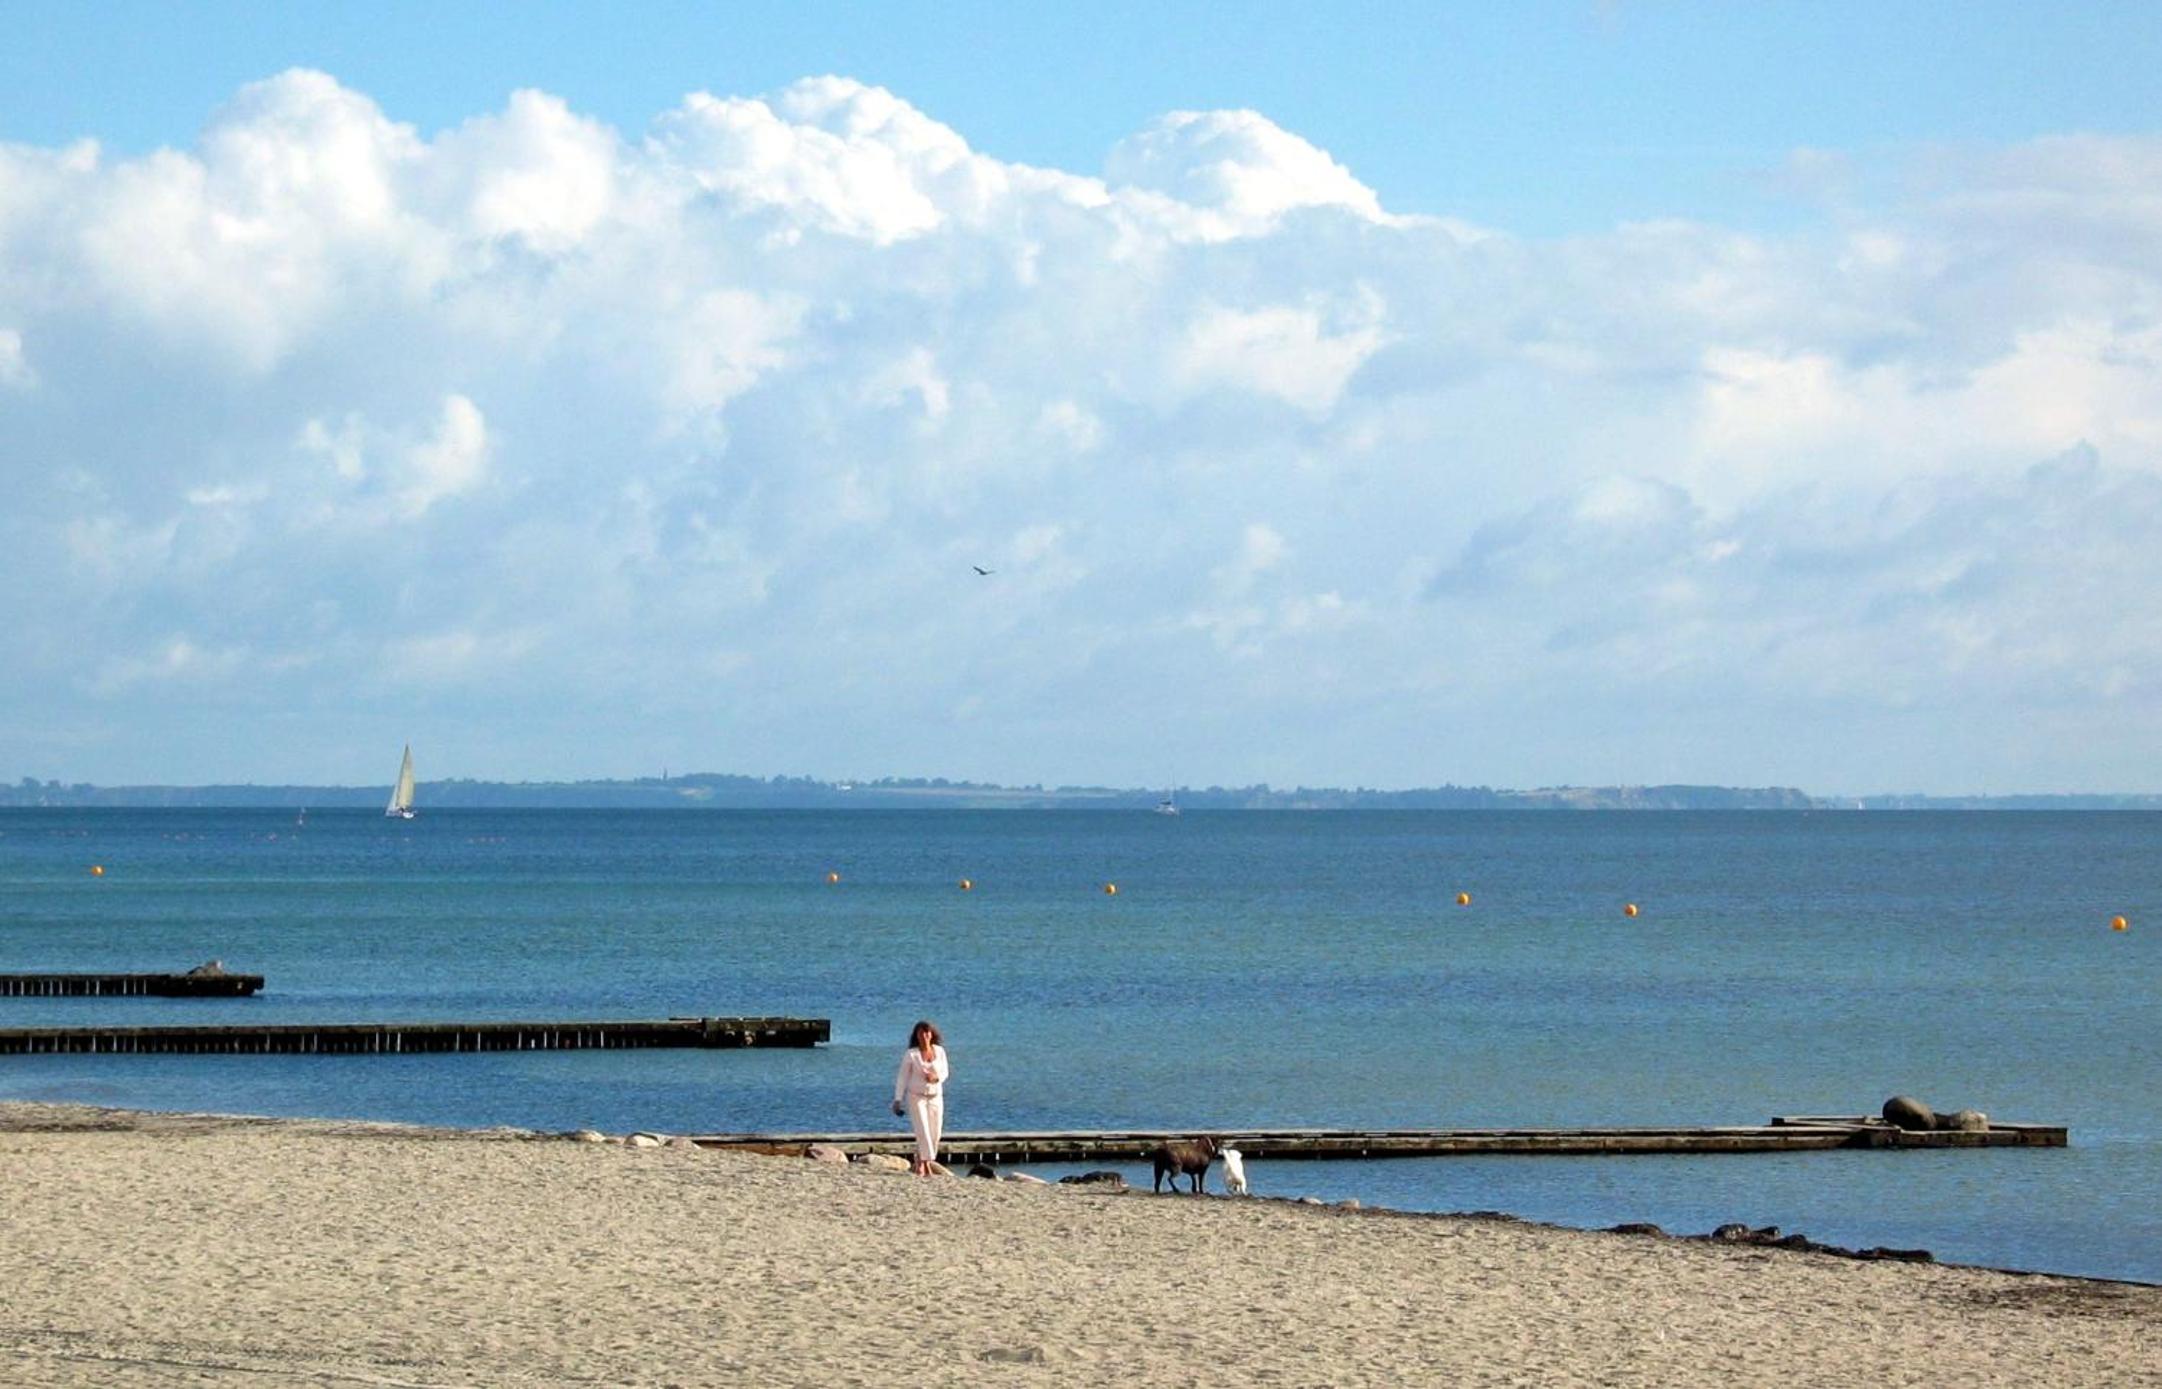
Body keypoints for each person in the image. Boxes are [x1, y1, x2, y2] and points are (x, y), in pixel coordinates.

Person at [891, 1019, 949, 1176]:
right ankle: (925, 1164)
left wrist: (936, 1078)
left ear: (932, 1034)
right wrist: (898, 1099)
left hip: (935, 1096)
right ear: (916, 1035)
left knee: (935, 1132)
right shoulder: (911, 1054)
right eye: (921, 1033)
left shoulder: (939, 1051)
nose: (924, 1036)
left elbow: (945, 1072)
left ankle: (922, 1159)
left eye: (927, 1032)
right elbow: (902, 1077)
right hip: (916, 1097)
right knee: (923, 1130)